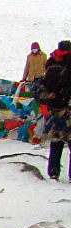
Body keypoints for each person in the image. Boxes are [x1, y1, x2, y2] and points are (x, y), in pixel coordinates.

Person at [39, 41, 71, 180]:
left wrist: (51, 97)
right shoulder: (65, 65)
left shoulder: (51, 64)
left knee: (56, 143)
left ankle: (53, 172)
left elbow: (45, 85)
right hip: (67, 109)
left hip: (55, 110)